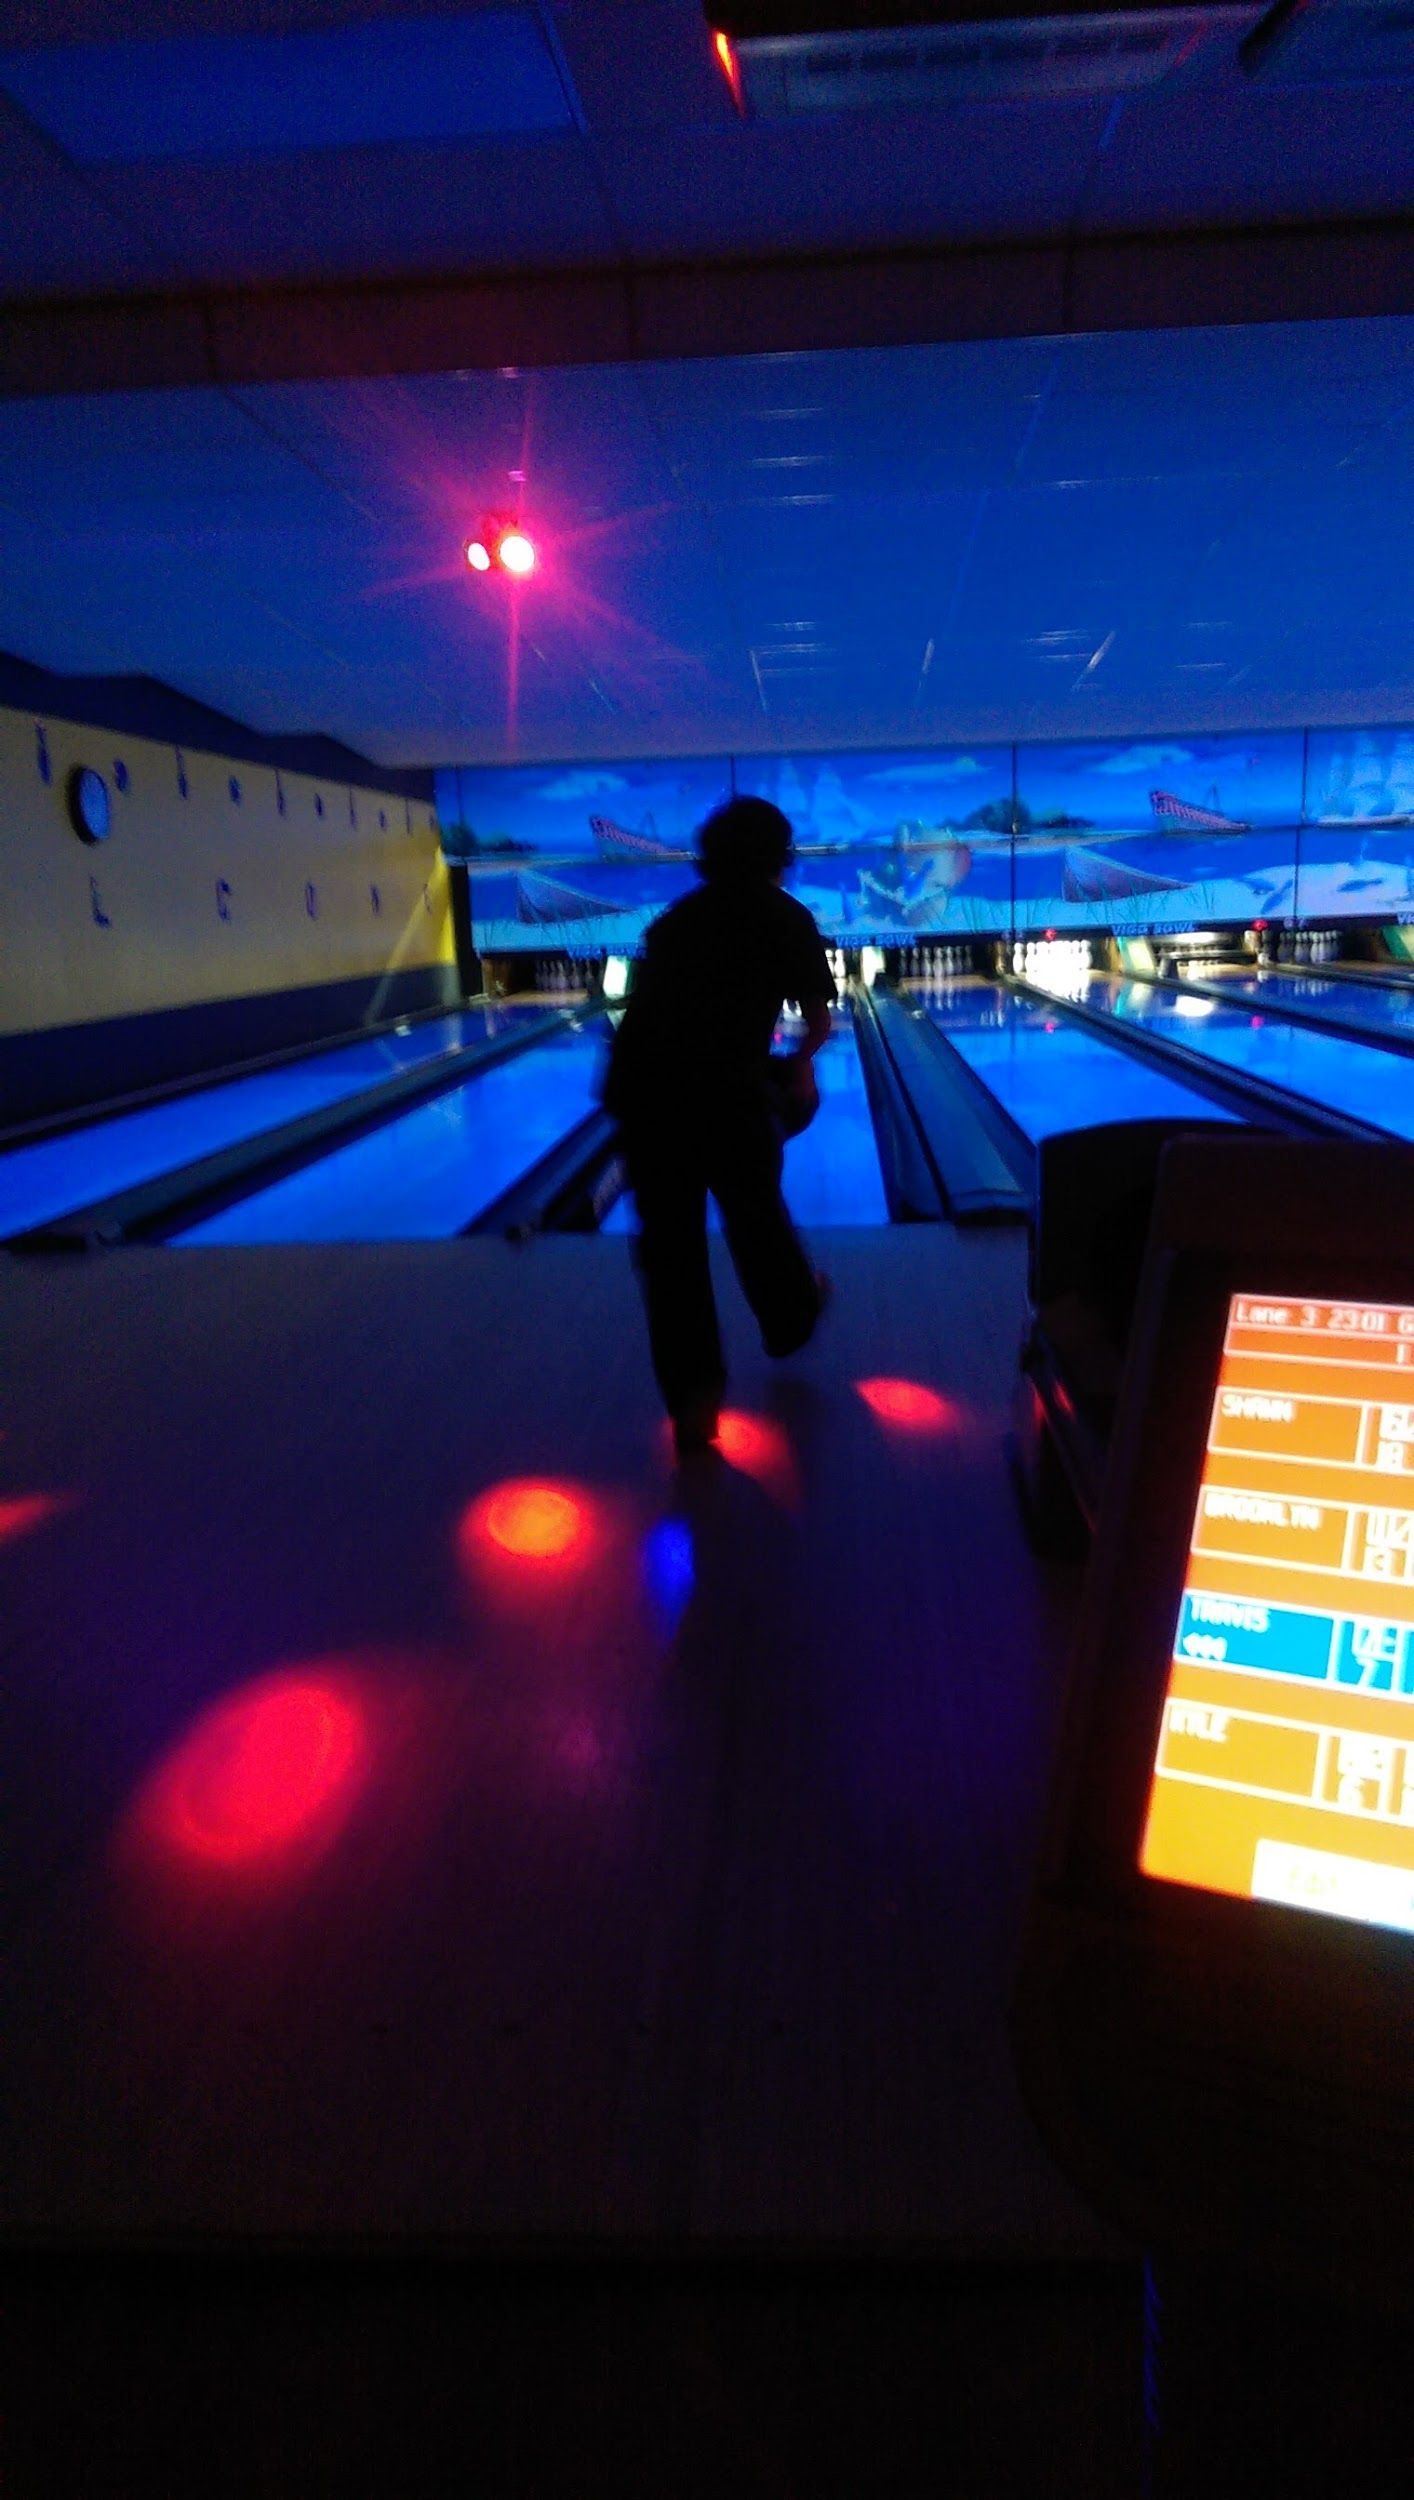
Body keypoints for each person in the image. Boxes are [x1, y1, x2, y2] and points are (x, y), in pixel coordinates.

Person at [602, 796, 835, 1457]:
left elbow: (656, 1016)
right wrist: (800, 1069)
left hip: (644, 1092)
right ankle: (791, 1320)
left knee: (670, 1253)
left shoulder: (677, 919)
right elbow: (815, 1025)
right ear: (779, 856)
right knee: (756, 1216)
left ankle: (694, 1408)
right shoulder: (786, 916)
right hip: (724, 1093)